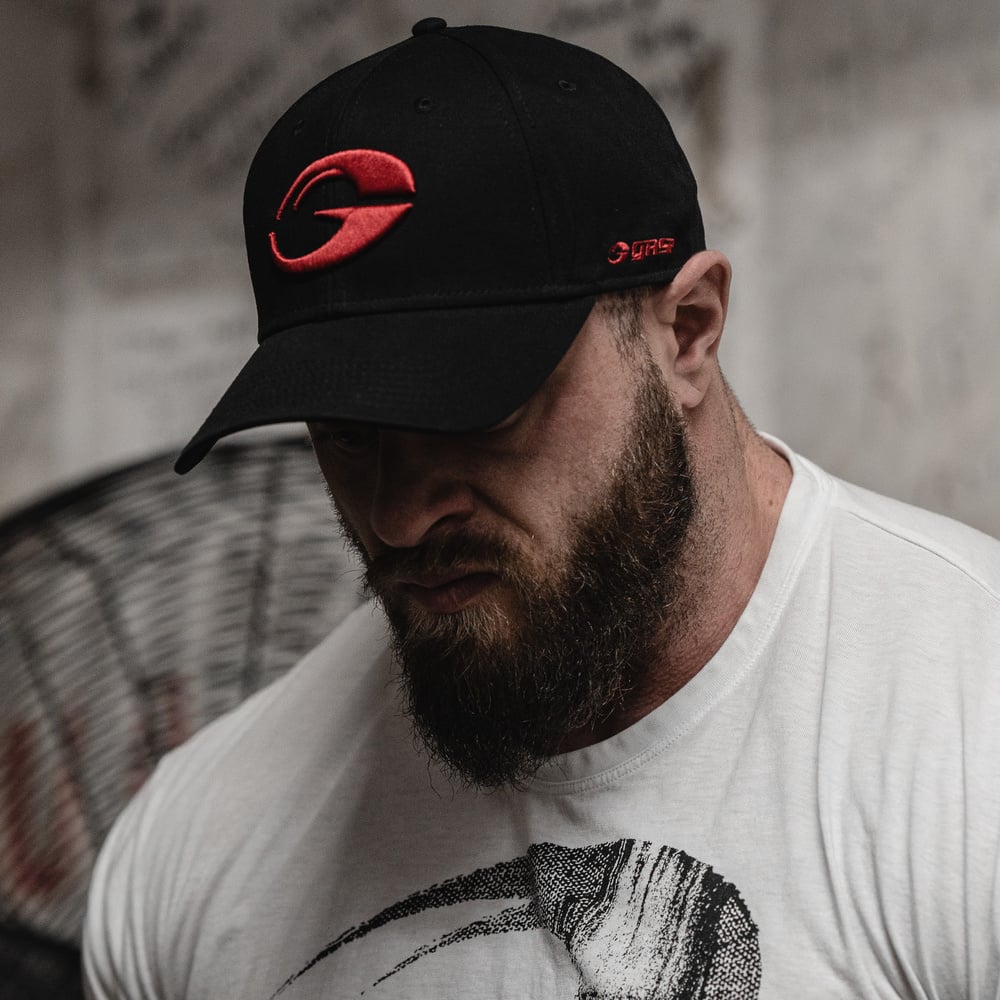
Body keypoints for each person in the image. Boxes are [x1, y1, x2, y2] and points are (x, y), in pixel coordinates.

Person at [82, 18, 1000, 1000]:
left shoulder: (963, 747)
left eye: (479, 412)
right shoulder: (192, 850)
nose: (399, 518)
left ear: (686, 332)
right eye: (347, 433)